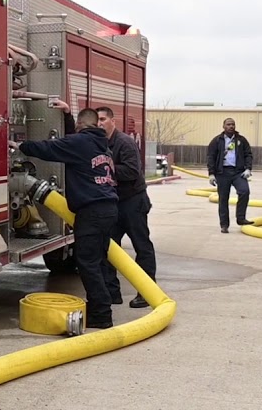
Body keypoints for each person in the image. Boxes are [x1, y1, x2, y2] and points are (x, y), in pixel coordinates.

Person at [9, 105, 119, 329]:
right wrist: (68, 116)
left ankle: (101, 314)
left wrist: (21, 145)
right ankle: (104, 303)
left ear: (80, 125)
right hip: (108, 208)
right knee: (98, 260)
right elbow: (71, 144)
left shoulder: (80, 143)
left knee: (87, 262)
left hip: (92, 212)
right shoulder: (101, 145)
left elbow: (51, 148)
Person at [89, 105, 157, 309]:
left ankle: (146, 292)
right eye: (97, 121)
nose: (100, 124)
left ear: (112, 122)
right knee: (110, 249)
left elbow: (132, 171)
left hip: (133, 202)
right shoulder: (97, 144)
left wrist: (106, 167)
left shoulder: (125, 142)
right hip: (113, 203)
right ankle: (112, 293)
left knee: (142, 246)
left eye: (103, 120)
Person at [205, 117, 254, 233]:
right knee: (223, 199)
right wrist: (211, 174)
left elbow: (248, 155)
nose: (231, 126)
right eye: (228, 124)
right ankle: (224, 225)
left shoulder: (241, 140)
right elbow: (210, 157)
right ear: (223, 126)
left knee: (244, 191)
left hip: (238, 172)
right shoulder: (217, 141)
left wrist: (248, 169)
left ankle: (241, 218)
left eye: (233, 124)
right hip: (222, 173)